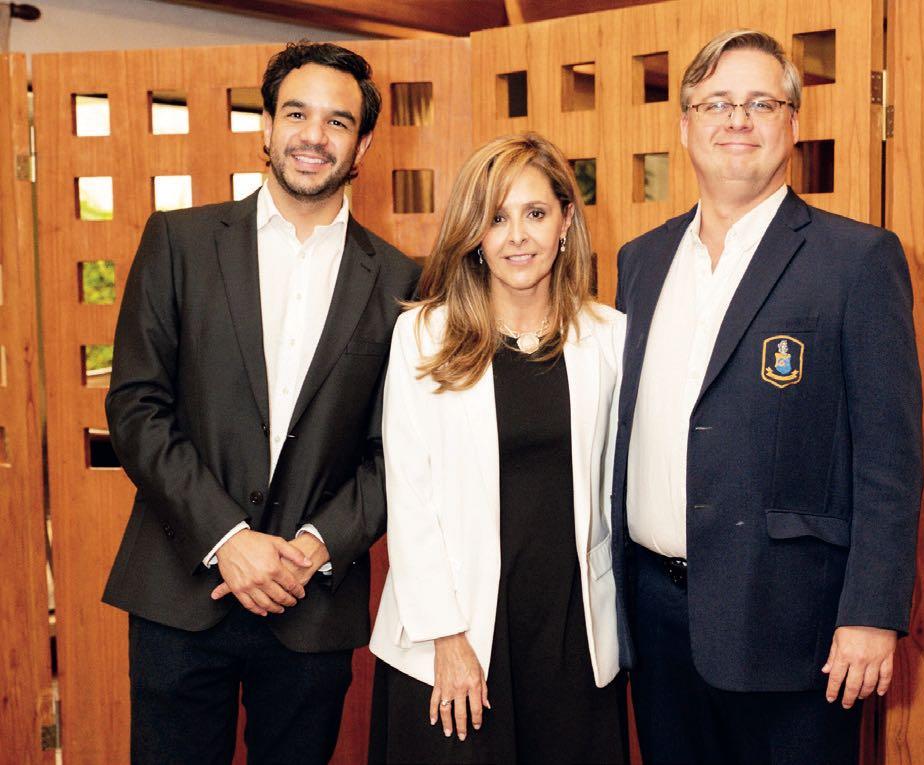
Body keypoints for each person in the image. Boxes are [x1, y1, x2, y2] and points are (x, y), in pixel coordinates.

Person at [611, 29, 922, 765]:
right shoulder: (641, 260)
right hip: (655, 618)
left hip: (796, 628)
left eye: (760, 103)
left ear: (793, 123)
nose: (736, 119)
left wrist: (871, 614)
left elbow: (889, 459)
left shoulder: (857, 259)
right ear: (685, 125)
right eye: (716, 102)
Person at [102, 41, 419, 763]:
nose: (314, 136)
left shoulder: (401, 281)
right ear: (267, 126)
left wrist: (315, 547)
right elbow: (137, 407)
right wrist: (228, 538)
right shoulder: (179, 242)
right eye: (297, 114)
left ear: (363, 143)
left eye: (338, 121)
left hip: (312, 602)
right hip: (181, 588)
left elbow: (398, 449)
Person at [368, 132, 628, 764]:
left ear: (566, 221)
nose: (517, 237)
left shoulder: (609, 337)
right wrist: (447, 638)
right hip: (453, 632)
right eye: (496, 218)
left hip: (572, 631)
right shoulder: (422, 336)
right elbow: (409, 497)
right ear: (474, 234)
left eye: (535, 213)